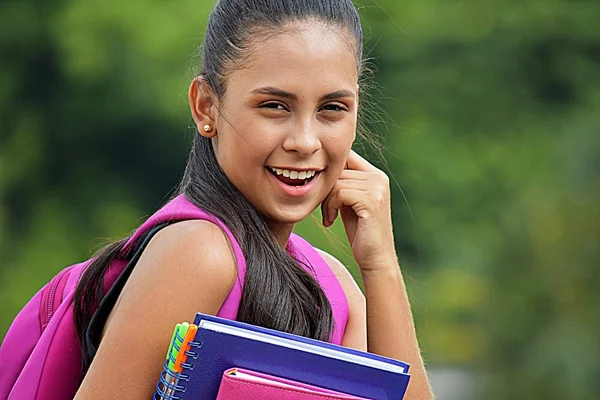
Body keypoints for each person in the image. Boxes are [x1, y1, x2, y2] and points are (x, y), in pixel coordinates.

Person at [72, 0, 434, 398]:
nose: (304, 142)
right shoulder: (199, 254)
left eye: (332, 108)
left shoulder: (333, 286)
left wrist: (380, 266)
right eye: (274, 106)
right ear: (205, 105)